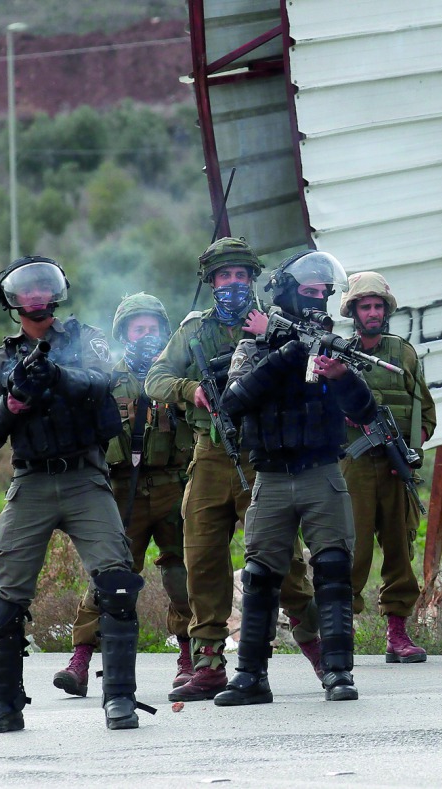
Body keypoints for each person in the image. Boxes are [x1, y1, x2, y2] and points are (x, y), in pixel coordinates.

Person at [0, 256, 147, 732]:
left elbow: (102, 380)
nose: (36, 300)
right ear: (12, 302)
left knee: (116, 583)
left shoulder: (83, 339)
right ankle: (6, 703)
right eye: (26, 294)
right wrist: (11, 404)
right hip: (31, 479)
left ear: (57, 294)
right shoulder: (0, 360)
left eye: (43, 291)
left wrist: (57, 378)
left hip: (84, 475)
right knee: (5, 599)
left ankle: (120, 699)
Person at [144, 237, 321, 702]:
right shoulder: (194, 332)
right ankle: (208, 663)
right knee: (202, 559)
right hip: (209, 456)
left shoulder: (274, 323)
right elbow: (155, 379)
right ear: (211, 282)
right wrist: (191, 390)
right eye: (225, 277)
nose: (234, 284)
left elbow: (307, 368)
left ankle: (324, 654)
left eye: (242, 276)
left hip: (262, 457)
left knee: (283, 562)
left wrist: (268, 341)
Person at [213, 250, 377, 704]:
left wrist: (342, 376)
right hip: (270, 474)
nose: (319, 299)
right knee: (261, 574)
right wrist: (287, 353)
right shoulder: (256, 343)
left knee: (332, 569)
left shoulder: (334, 345)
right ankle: (250, 676)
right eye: (311, 291)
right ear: (287, 291)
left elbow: (364, 411)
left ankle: (339, 672)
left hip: (321, 471)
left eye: (325, 292)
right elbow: (234, 400)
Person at [53, 293, 195, 698]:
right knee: (109, 577)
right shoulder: (106, 380)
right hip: (120, 490)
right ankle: (80, 659)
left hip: (174, 487)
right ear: (123, 334)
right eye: (139, 328)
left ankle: (189, 658)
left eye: (154, 328)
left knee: (182, 574)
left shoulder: (176, 377)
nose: (147, 335)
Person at [338, 272, 437, 663]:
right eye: (366, 306)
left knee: (400, 548)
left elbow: (424, 411)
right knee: (352, 549)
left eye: (379, 306)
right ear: (354, 311)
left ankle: (398, 634)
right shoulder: (338, 353)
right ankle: (340, 630)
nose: (373, 312)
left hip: (397, 467)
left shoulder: (403, 354)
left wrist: (410, 447)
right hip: (356, 466)